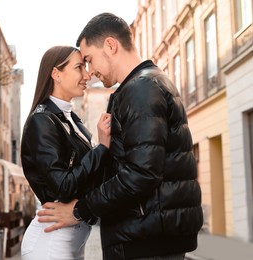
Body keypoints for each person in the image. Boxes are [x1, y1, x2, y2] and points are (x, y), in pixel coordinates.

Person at [37, 13, 204, 260]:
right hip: (149, 236)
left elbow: (141, 173)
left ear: (110, 46)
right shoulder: (146, 84)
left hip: (146, 241)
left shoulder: (141, 88)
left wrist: (79, 210)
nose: (90, 72)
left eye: (89, 60)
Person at [20, 45, 111, 260]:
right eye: (79, 67)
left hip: (70, 238)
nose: (87, 75)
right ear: (56, 74)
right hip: (50, 241)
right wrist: (101, 149)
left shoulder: (69, 118)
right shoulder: (42, 120)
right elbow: (62, 186)